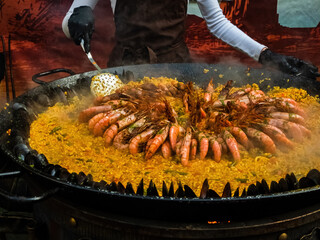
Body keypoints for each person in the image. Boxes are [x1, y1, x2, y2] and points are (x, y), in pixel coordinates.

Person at [62, 0, 320, 79]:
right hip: (123, 69)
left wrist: (265, 55)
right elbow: (68, 25)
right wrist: (78, 15)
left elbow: (218, 23)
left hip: (176, 67)